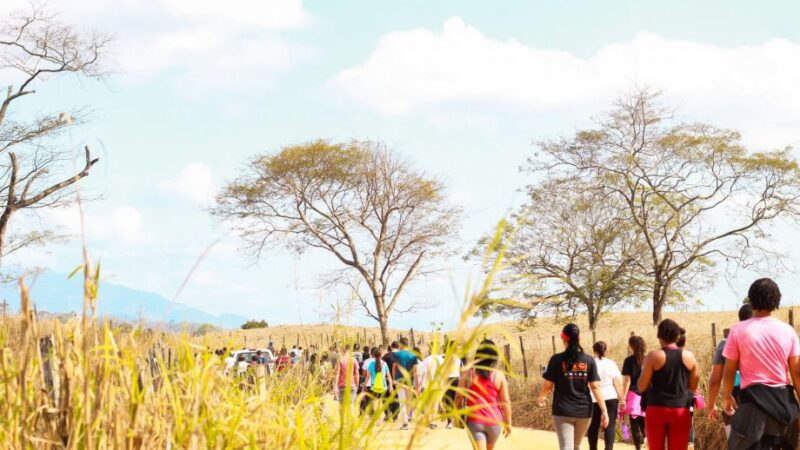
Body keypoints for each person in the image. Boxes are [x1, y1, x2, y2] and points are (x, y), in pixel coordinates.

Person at [722, 278, 800, 449]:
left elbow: (729, 370)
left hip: (753, 406)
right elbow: (797, 375)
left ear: (751, 299)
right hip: (785, 406)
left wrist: (727, 396)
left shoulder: (739, 330)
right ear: (776, 300)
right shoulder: (788, 331)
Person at [537, 324, 609, 450]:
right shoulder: (589, 360)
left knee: (566, 447)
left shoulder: (556, 359)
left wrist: (541, 398)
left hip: (562, 410)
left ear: (563, 338)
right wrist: (604, 410)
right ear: (579, 338)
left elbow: (548, 385)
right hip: (584, 411)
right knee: (576, 446)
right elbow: (595, 387)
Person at [638, 319, 699, 450]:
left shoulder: (653, 356)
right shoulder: (689, 356)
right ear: (678, 337)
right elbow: (693, 387)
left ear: (659, 336)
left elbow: (641, 386)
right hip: (680, 409)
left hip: (656, 409)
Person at [455, 340, 511, 450]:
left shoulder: (467, 374)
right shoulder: (499, 376)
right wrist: (508, 423)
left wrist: (455, 412)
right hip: (495, 422)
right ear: (494, 357)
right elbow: (505, 402)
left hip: (475, 421)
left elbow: (459, 397)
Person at [707, 304, 753, 437]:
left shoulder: (725, 344)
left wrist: (711, 405)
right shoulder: (768, 341)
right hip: (764, 396)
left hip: (733, 397)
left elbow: (715, 381)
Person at [587, 341, 624, 450]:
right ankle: (608, 448)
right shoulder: (611, 363)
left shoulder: (590, 363)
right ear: (606, 350)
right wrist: (622, 399)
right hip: (610, 397)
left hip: (593, 397)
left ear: (594, 351)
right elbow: (617, 383)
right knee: (609, 425)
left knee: (593, 426)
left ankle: (593, 448)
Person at [621, 336, 647, 450]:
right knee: (645, 424)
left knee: (635, 424)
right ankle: (648, 445)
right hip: (648, 395)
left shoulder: (629, 360)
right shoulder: (649, 359)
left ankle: (638, 448)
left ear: (631, 346)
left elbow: (627, 380)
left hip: (634, 396)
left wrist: (623, 397)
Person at [392, 337, 419, 430]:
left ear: (401, 344)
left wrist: (393, 379)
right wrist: (417, 384)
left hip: (399, 381)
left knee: (402, 402)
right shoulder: (413, 356)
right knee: (408, 402)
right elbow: (415, 372)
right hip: (409, 381)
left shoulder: (397, 354)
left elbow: (394, 367)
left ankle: (405, 423)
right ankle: (408, 418)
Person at [365, 347, 394, 419]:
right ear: (381, 355)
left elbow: (368, 376)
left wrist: (364, 386)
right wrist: (391, 386)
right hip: (383, 386)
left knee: (373, 400)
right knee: (384, 400)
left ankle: (374, 415)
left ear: (373, 355)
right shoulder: (385, 364)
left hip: (374, 386)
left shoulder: (371, 364)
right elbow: (389, 376)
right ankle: (387, 414)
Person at [443, 339, 463, 429]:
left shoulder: (445, 357)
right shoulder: (458, 358)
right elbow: (461, 370)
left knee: (448, 401)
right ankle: (457, 420)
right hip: (457, 379)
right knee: (457, 400)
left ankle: (450, 422)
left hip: (448, 379)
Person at [335, 344, 360, 409]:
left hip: (341, 385)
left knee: (341, 405)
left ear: (343, 350)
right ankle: (350, 419)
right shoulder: (354, 360)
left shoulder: (340, 360)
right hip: (352, 385)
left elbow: (337, 373)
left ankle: (342, 418)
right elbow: (356, 374)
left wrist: (335, 385)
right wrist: (357, 385)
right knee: (351, 404)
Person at [383, 341, 401, 420]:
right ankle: (395, 416)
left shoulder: (386, 356)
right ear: (398, 347)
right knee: (396, 397)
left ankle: (387, 413)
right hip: (398, 379)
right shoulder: (401, 355)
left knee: (386, 397)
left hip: (386, 379)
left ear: (391, 346)